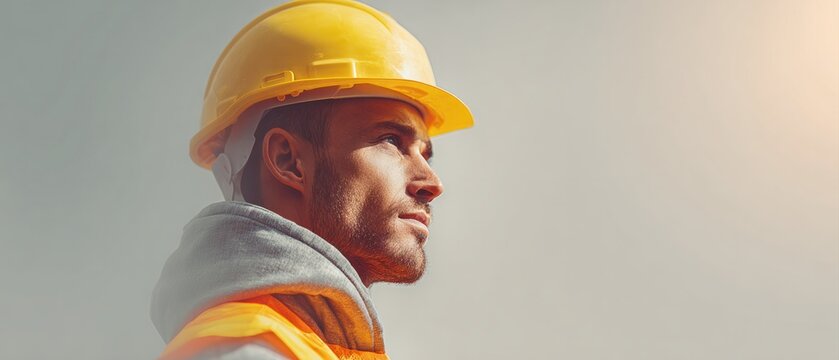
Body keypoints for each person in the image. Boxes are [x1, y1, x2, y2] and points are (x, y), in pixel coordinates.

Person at [150, 0, 473, 359]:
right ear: (288, 160)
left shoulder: (298, 346)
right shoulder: (248, 350)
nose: (432, 182)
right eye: (391, 141)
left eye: (424, 153)